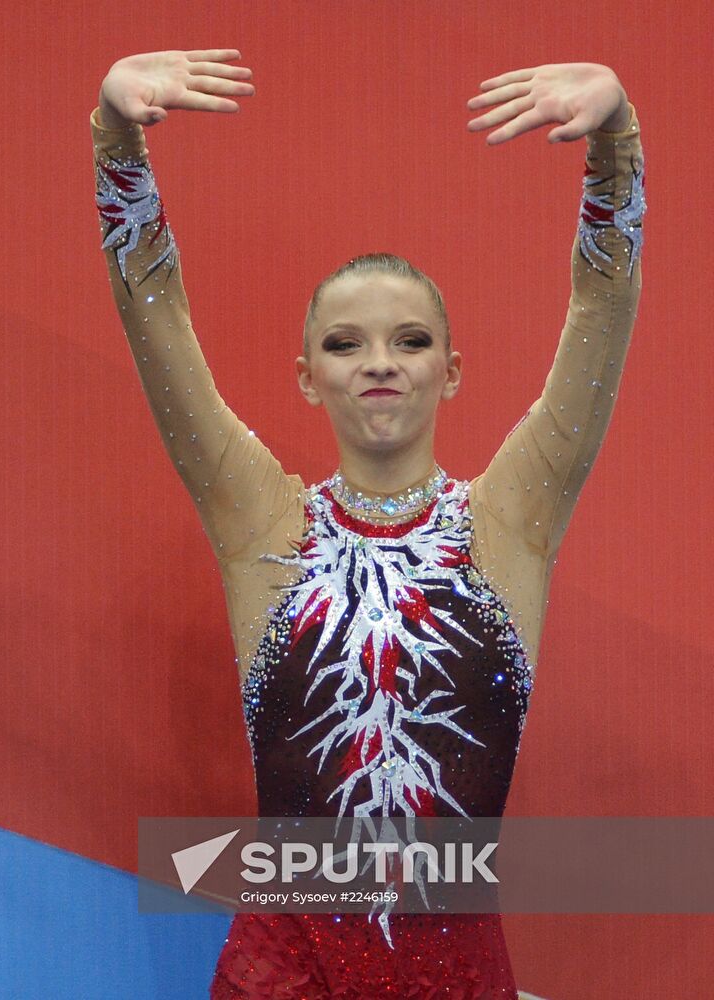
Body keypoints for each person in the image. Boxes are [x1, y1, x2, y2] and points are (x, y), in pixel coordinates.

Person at [91, 48, 645, 999]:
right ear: (308, 377)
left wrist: (617, 144)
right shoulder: (259, 520)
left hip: (460, 974)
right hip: (282, 972)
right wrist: (114, 142)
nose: (378, 363)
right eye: (344, 343)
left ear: (451, 370)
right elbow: (159, 324)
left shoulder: (508, 522)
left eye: (410, 340)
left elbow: (602, 307)